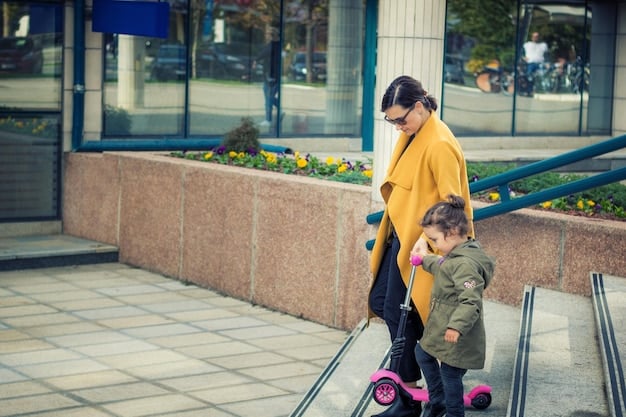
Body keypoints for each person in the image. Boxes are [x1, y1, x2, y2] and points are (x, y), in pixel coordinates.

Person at [368, 76, 474, 417]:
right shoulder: (416, 134)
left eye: (401, 119)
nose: (398, 127)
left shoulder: (439, 142)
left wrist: (428, 243)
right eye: (392, 121)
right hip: (399, 235)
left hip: (420, 245)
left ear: (419, 106)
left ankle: (411, 397)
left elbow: (453, 203)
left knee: (400, 311)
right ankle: (416, 390)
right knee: (384, 302)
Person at [412, 195, 495, 417]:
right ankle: (437, 398)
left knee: (450, 373)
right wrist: (424, 260)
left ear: (451, 233)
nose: (434, 245)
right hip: (442, 326)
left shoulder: (465, 265)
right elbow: (442, 267)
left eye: (435, 240)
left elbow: (470, 300)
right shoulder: (455, 255)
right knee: (422, 352)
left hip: (459, 334)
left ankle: (454, 412)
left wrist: (456, 327)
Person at [254, 28, 281, 128]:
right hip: (269, 75)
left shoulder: (273, 46)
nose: (265, 36)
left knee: (268, 97)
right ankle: (277, 111)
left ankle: (268, 119)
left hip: (271, 76)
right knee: (268, 97)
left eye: (267, 34)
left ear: (272, 35)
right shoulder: (273, 45)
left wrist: (256, 60)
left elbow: (263, 54)